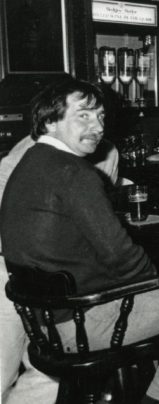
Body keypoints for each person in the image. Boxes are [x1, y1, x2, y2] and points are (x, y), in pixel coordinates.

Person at [0, 79, 159, 404]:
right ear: (50, 121)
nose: (96, 126)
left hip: (46, 320)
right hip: (83, 321)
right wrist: (155, 282)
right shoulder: (75, 173)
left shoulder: (29, 161)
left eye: (101, 117)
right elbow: (122, 256)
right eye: (84, 116)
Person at [0, 133, 119, 404]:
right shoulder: (37, 148)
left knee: (49, 372)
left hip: (50, 277)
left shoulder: (108, 151)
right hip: (7, 266)